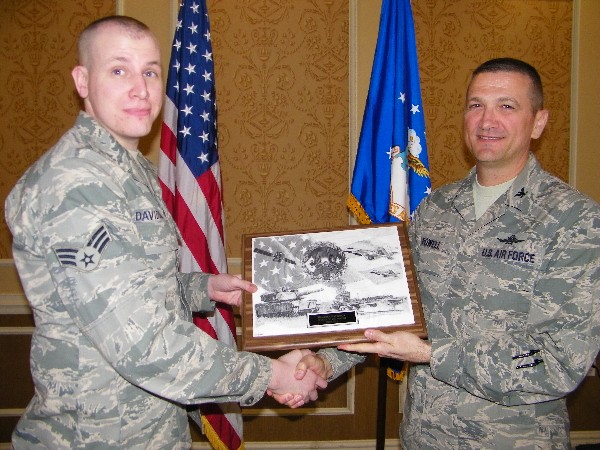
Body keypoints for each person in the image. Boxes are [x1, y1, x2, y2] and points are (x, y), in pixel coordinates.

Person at [4, 16, 327, 449]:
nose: (140, 88)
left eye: (151, 71)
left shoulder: (128, 168)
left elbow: (135, 285)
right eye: (119, 70)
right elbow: (142, 342)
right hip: (96, 436)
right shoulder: (75, 184)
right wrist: (273, 374)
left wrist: (203, 288)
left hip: (152, 427)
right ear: (82, 80)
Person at [293, 57, 600, 449]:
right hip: (424, 436)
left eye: (507, 106)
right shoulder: (436, 208)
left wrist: (430, 353)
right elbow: (390, 308)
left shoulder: (575, 220)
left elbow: (558, 361)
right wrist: (325, 362)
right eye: (476, 105)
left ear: (538, 122)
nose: (487, 121)